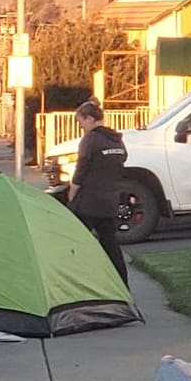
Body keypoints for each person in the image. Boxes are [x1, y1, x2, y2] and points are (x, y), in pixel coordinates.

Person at [67, 100, 131, 283]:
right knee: (110, 243)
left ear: (89, 118)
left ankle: (78, 279)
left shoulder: (90, 139)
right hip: (110, 199)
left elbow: (82, 168)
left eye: (81, 123)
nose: (82, 128)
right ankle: (120, 281)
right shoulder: (117, 139)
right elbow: (123, 160)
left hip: (88, 201)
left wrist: (72, 193)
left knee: (77, 240)